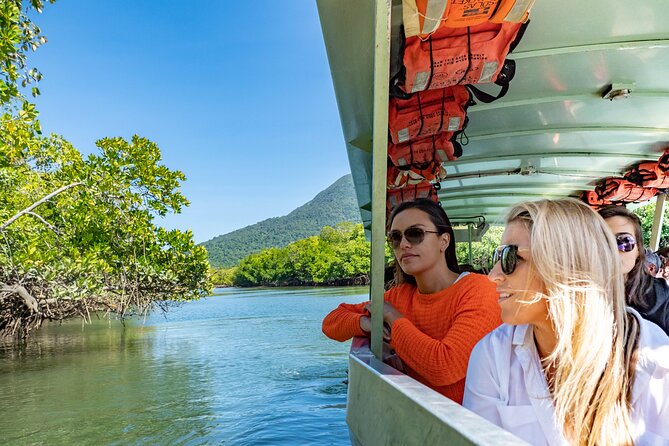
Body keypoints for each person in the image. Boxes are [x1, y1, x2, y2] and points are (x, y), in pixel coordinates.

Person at [463, 198, 669, 445]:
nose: (493, 275)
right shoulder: (493, 355)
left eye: (510, 257)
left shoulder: (653, 356)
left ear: (566, 265)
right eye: (497, 256)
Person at [322, 198, 501, 404]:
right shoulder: (401, 296)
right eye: (395, 238)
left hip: (472, 427)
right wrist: (367, 324)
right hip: (419, 422)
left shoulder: (479, 290)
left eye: (415, 234)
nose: (404, 244)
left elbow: (444, 367)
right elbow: (331, 322)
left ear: (444, 241)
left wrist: (392, 317)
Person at [598, 205, 669, 335]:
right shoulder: (572, 293)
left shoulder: (662, 298)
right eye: (603, 241)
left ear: (638, 251)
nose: (613, 249)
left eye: (625, 241)